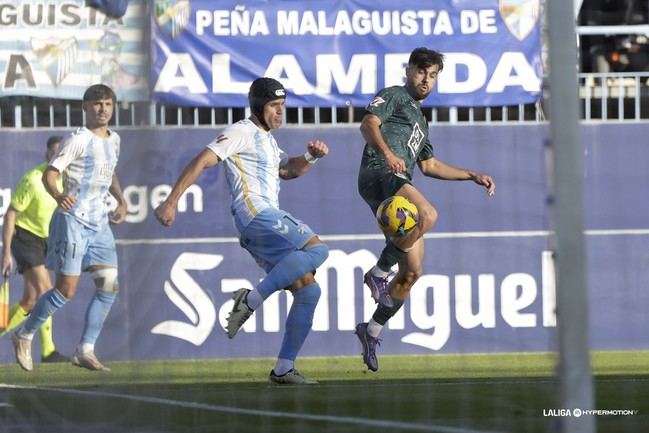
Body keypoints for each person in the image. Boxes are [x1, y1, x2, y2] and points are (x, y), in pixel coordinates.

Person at [155, 77, 329, 385]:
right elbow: (202, 160)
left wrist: (312, 157)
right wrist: (171, 200)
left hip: (258, 225)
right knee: (318, 250)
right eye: (274, 106)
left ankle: (283, 369)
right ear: (259, 106)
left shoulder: (268, 141)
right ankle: (250, 301)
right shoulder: (241, 131)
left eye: (282, 106)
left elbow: (287, 171)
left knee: (309, 290)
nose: (280, 112)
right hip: (257, 214)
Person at [355, 47, 496, 372]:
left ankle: (371, 331)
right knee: (428, 215)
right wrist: (388, 153)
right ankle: (377, 273)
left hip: (396, 183)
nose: (426, 80)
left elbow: (429, 165)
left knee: (412, 273)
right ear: (409, 70)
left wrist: (471, 175)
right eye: (421, 72)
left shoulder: (420, 118)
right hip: (379, 172)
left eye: (432, 75)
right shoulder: (393, 96)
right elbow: (368, 124)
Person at [11, 84, 128, 372]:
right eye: (97, 104)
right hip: (73, 220)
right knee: (66, 289)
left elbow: (109, 170)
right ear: (85, 108)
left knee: (109, 286)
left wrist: (121, 200)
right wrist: (58, 195)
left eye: (108, 104)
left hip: (100, 222)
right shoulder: (78, 140)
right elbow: (51, 174)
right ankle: (23, 333)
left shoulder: (115, 140)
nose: (103, 109)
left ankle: (85, 349)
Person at [1, 136, 68, 363]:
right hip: (25, 237)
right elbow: (11, 214)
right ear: (47, 155)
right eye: (54, 153)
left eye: (62, 153)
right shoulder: (33, 180)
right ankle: (48, 350)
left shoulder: (69, 179)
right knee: (47, 290)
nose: (58, 157)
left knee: (29, 301)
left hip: (47, 239)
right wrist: (7, 253)